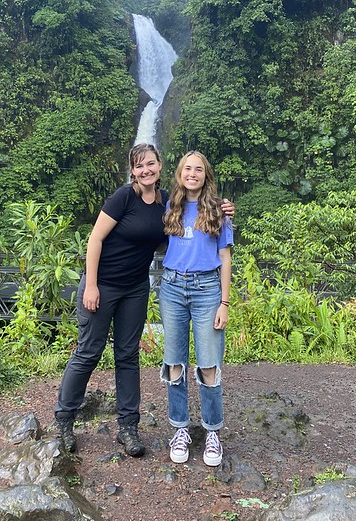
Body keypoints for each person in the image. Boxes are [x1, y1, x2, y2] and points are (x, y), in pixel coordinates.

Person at [55, 142, 234, 458]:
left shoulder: (168, 202)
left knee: (127, 355)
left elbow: (204, 232)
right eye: (139, 166)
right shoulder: (123, 197)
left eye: (150, 164)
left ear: (161, 166)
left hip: (137, 288)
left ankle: (128, 427)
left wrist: (224, 208)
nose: (146, 170)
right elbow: (95, 238)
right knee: (88, 350)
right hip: (104, 284)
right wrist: (91, 285)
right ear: (132, 170)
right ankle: (65, 420)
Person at [159, 151, 233, 467]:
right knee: (174, 362)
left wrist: (225, 303)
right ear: (179, 174)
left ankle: (212, 432)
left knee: (208, 365)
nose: (192, 173)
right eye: (187, 168)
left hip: (207, 291)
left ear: (206, 175)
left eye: (198, 169)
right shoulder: (170, 207)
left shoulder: (218, 210)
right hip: (172, 288)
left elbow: (225, 257)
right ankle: (179, 429)